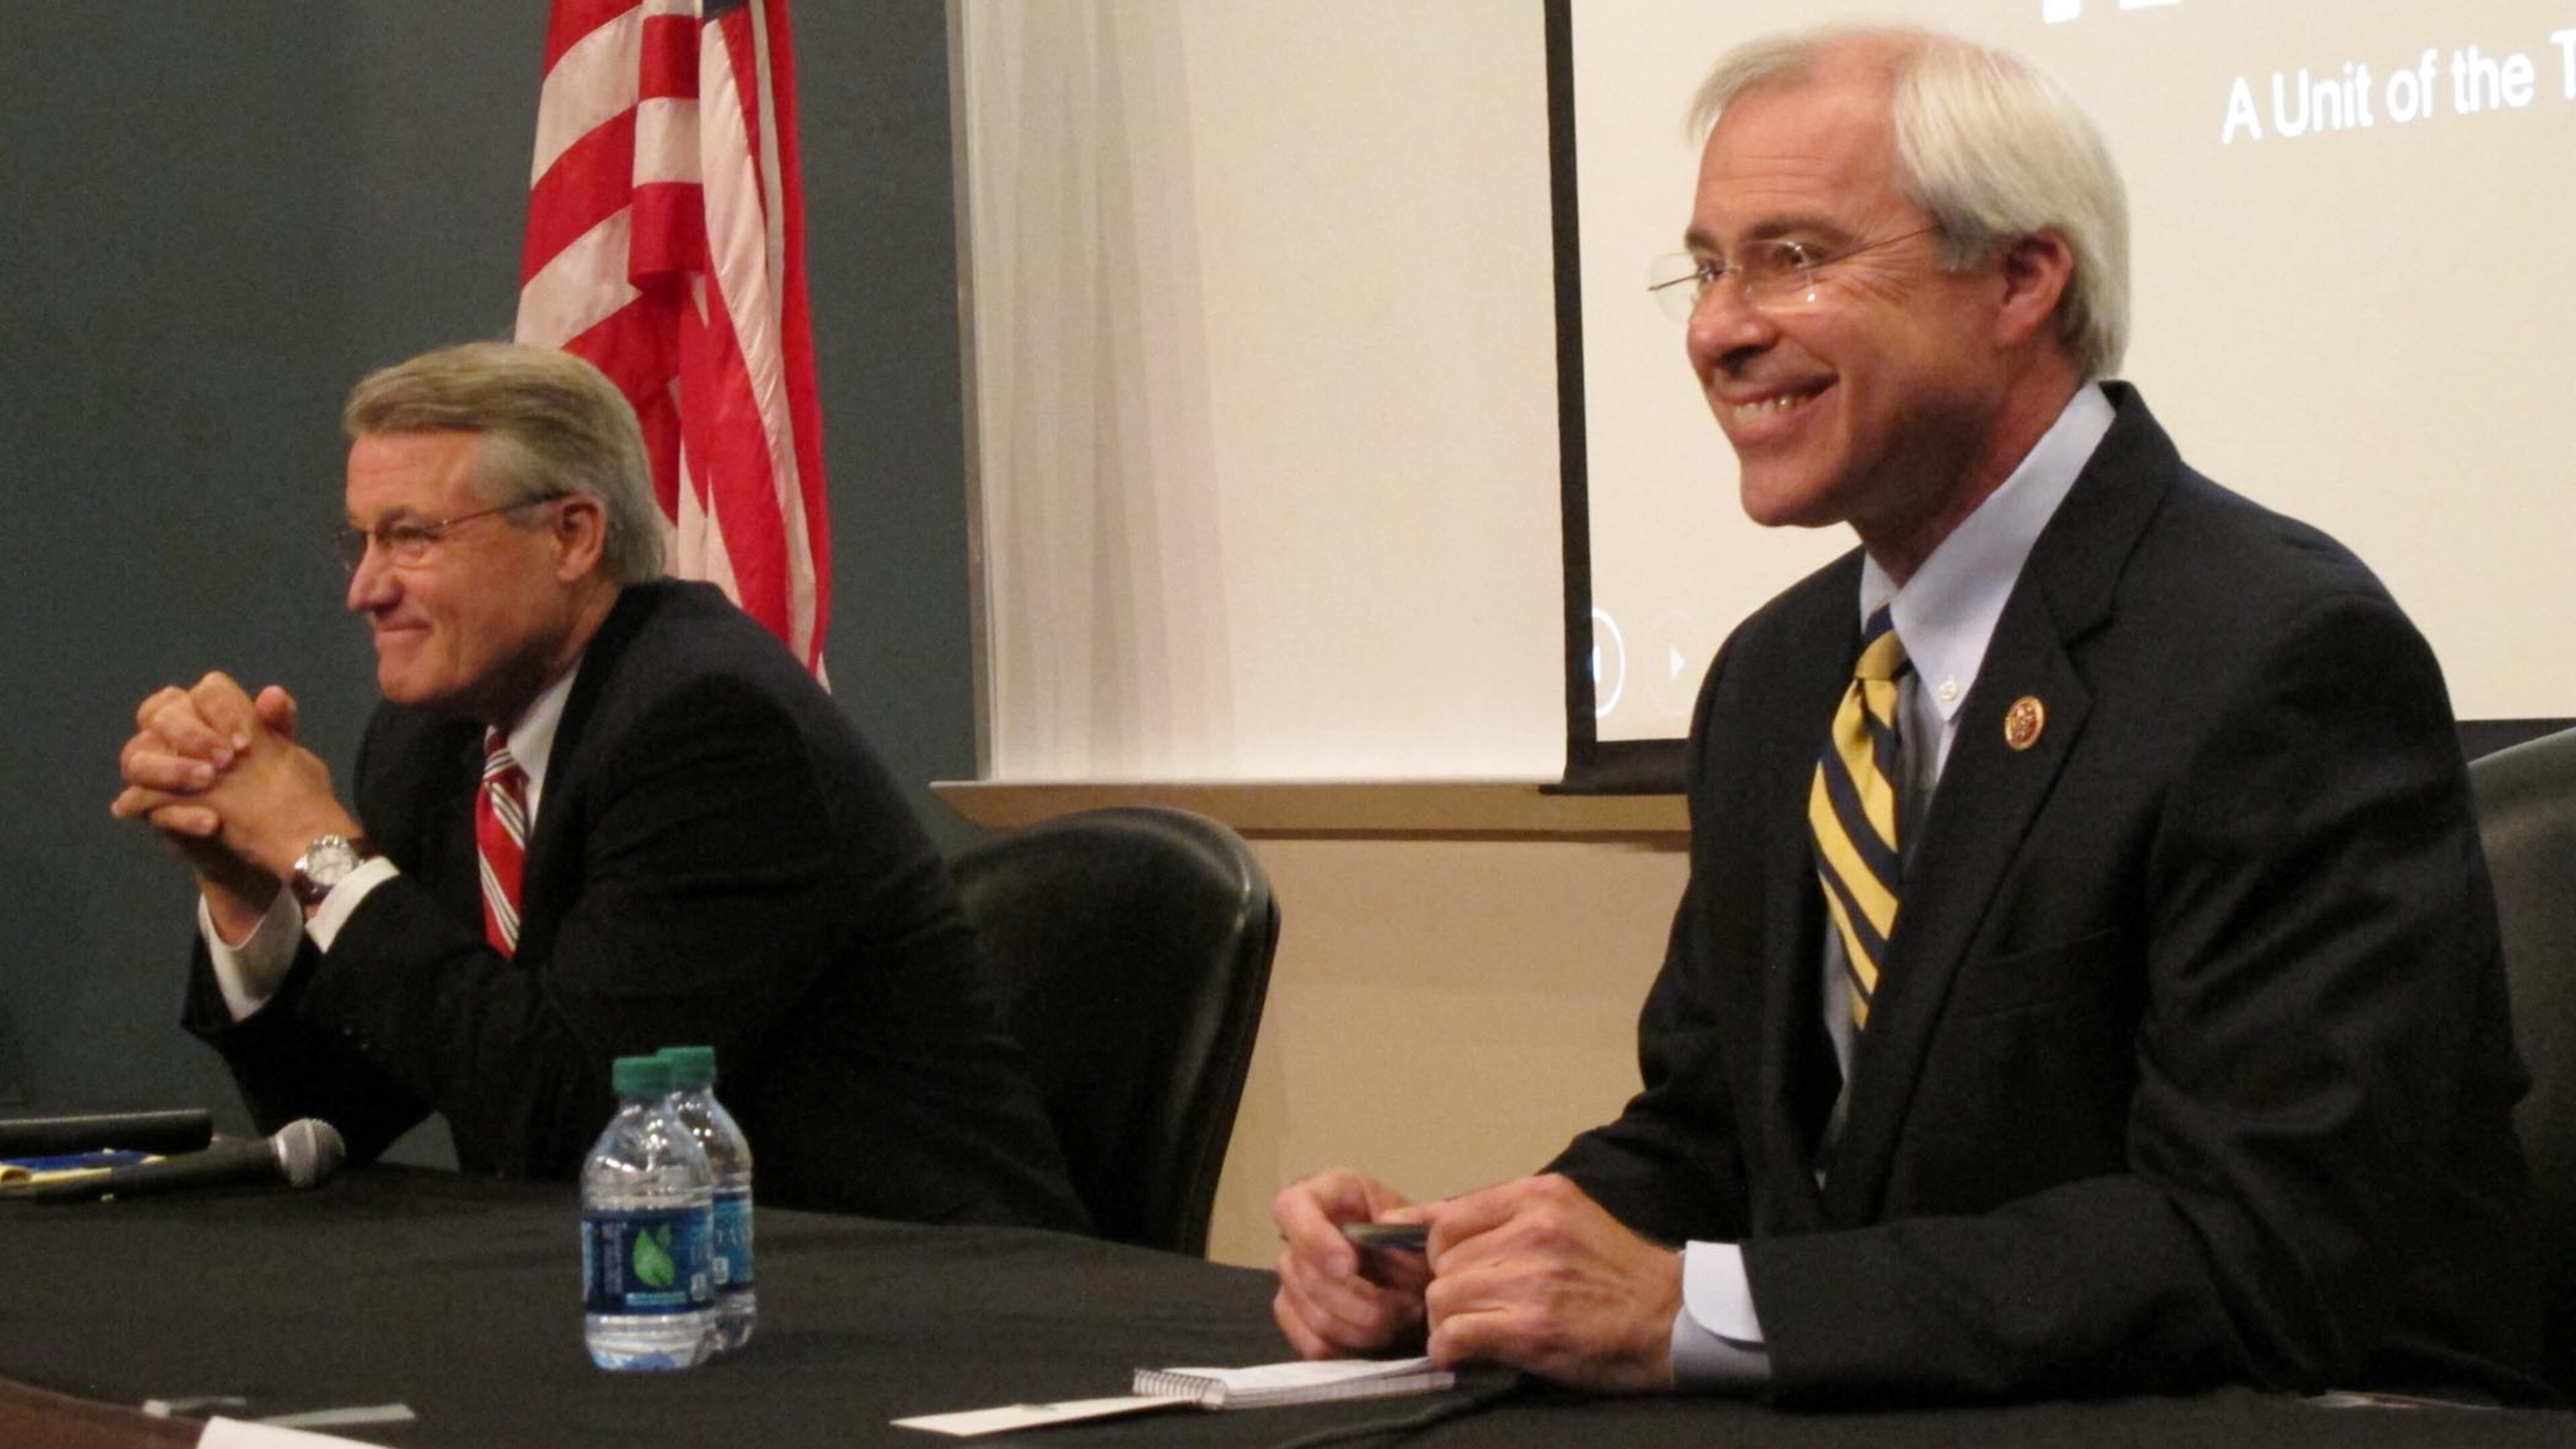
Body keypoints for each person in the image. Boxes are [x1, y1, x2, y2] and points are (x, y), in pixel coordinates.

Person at [1272, 25, 2553, 1405]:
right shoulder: (1776, 678)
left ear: (2020, 278)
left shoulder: (2282, 659)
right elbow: (1717, 1142)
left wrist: (1691, 1305)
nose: (1718, 328)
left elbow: (2254, 1247)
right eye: (1708, 267)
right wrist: (1472, 1256)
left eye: (1796, 257)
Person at [113, 341, 1087, 1228]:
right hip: (639, 1292)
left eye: (411, 537)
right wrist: (249, 885)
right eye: (360, 540)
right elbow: (339, 1113)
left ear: (574, 535)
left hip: (908, 1297)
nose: (365, 588)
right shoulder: (428, 742)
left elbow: (582, 1118)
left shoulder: (709, 727)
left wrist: (320, 852)